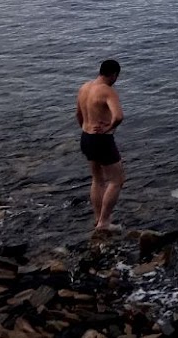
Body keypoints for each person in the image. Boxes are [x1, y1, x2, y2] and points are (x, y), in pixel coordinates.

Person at [75, 59, 125, 231]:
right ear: (114, 75)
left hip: (86, 137)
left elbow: (78, 114)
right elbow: (118, 116)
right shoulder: (107, 91)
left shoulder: (85, 88)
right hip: (101, 140)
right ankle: (105, 222)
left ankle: (98, 218)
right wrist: (108, 128)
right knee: (117, 180)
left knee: (97, 179)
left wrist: (85, 127)